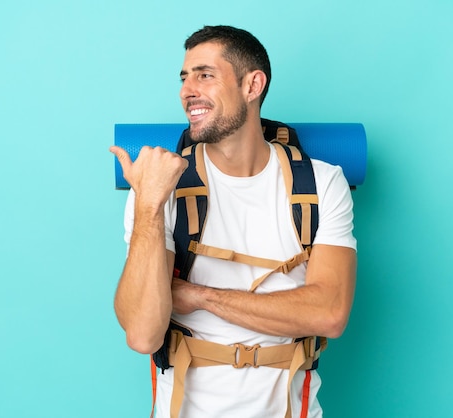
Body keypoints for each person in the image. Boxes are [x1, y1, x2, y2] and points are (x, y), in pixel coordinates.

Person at [109, 25, 357, 418]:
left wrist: (199, 296)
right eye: (184, 77)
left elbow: (328, 313)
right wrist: (149, 205)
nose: (187, 90)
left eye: (204, 75)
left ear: (252, 85)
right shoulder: (159, 188)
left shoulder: (322, 183)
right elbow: (142, 333)